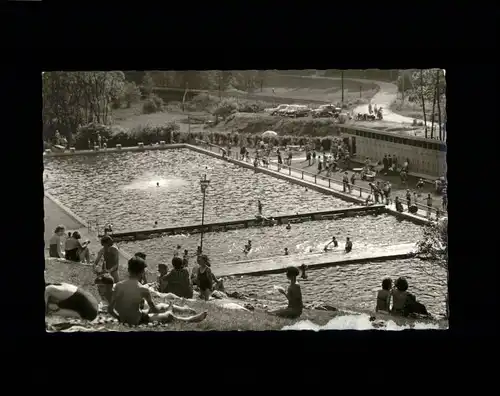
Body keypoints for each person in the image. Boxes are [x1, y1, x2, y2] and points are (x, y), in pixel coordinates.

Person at [108, 257, 207, 326]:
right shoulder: (142, 289)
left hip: (127, 317)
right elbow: (154, 310)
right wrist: (168, 310)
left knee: (162, 306)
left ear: (128, 270)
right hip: (138, 320)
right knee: (168, 315)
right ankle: (190, 319)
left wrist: (120, 319)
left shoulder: (118, 286)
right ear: (142, 272)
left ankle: (186, 310)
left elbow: (110, 309)